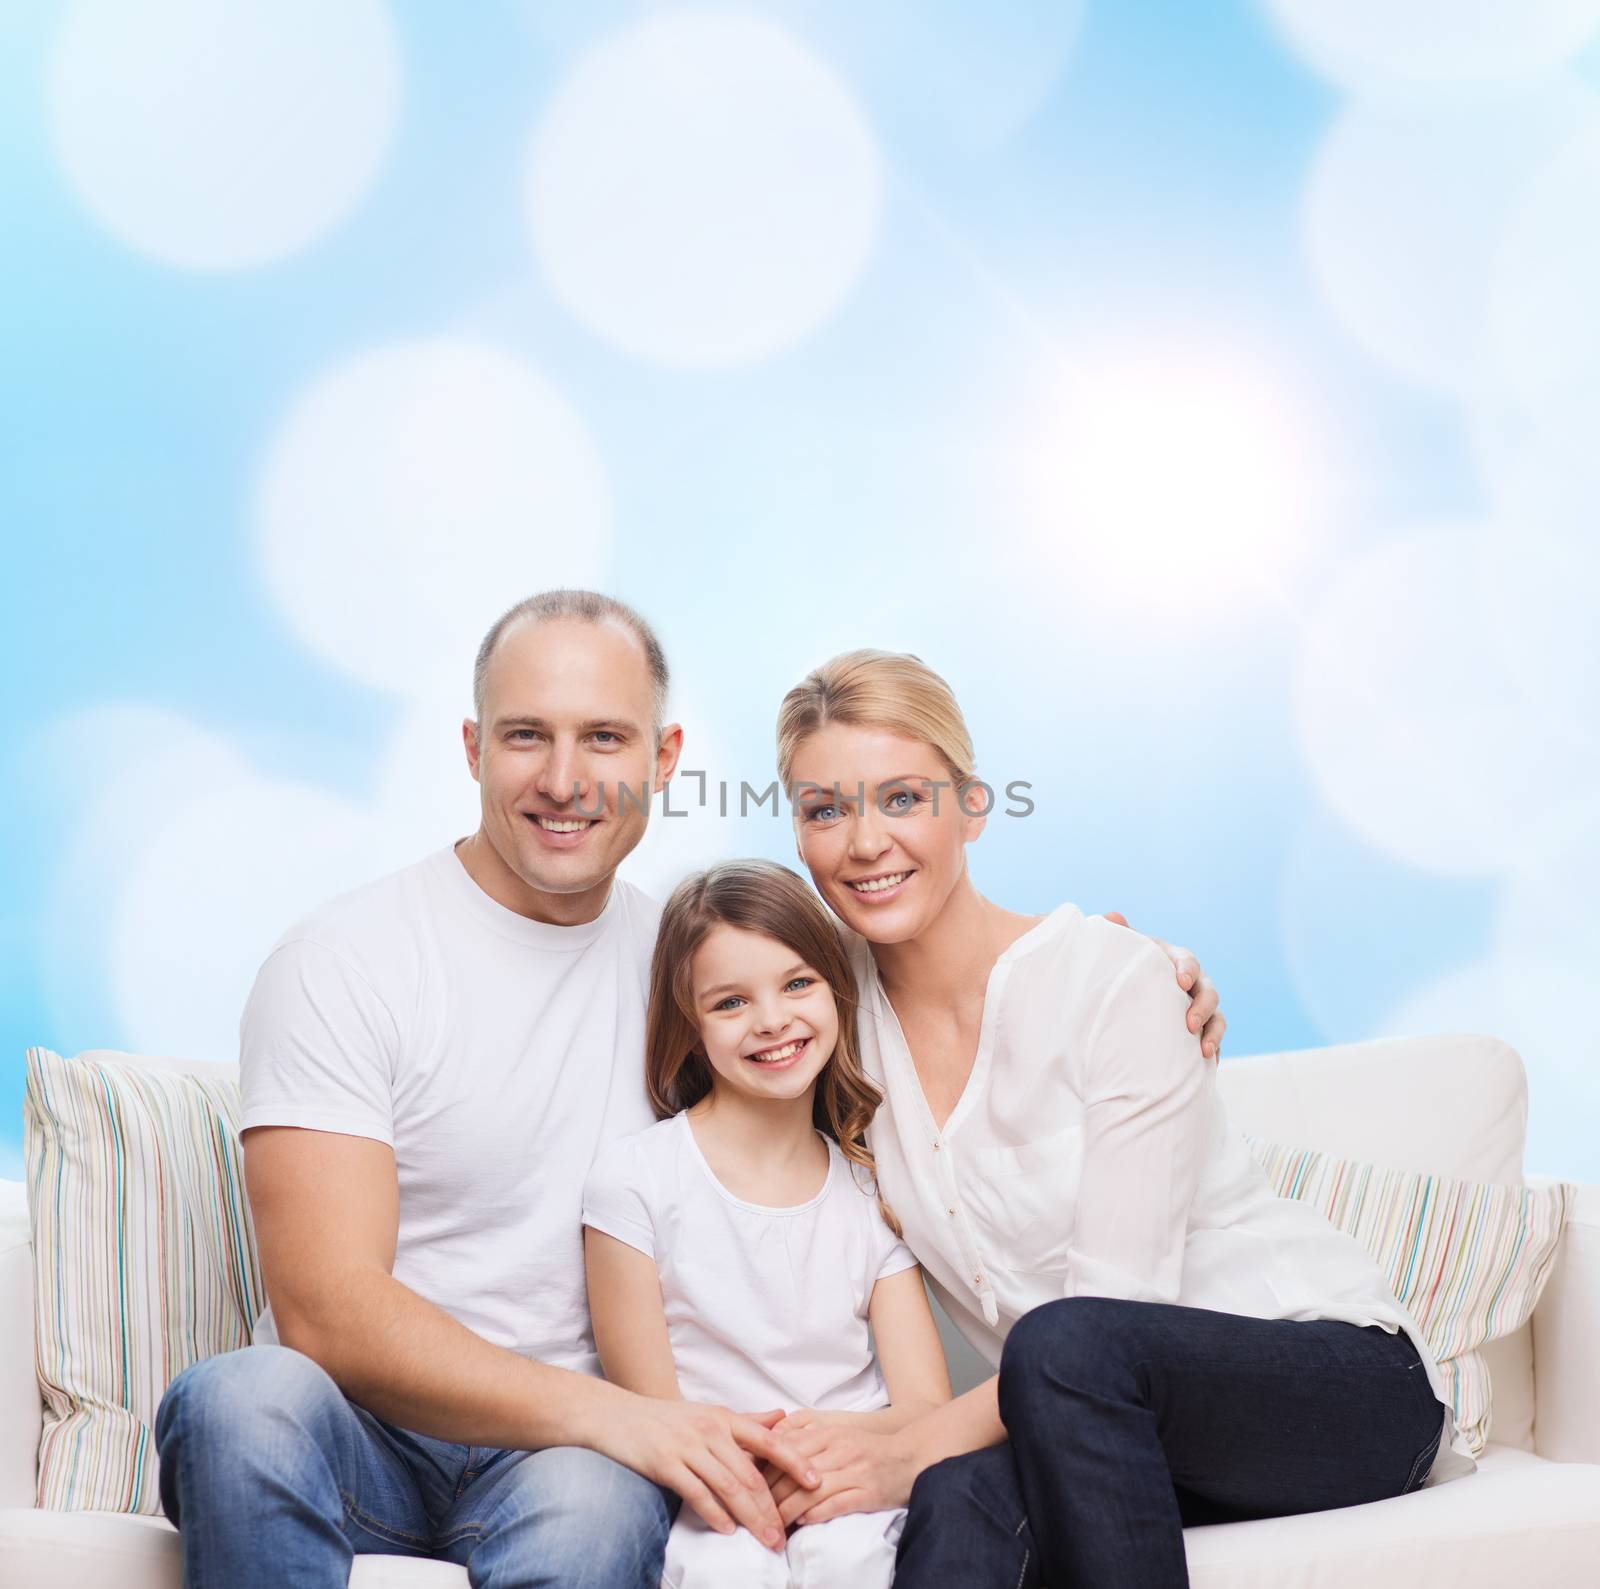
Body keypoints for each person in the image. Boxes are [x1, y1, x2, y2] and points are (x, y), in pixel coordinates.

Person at [152, 590, 1221, 1587]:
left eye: (604, 737)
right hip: (383, 1427)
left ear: (663, 758)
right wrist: (631, 1418)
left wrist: (1125, 973)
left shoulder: (694, 964)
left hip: (577, 1457)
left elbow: (876, 979)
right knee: (240, 1396)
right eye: (526, 734)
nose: (564, 779)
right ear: (473, 749)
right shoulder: (346, 957)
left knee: (585, 1511)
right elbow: (325, 1309)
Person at [752, 648, 1474, 1589]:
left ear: (971, 806)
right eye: (824, 810)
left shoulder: (1111, 982)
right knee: (954, 1502)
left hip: (1333, 1388)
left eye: (901, 798)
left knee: (1064, 1340)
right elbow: (695, 969)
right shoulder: (822, 1022)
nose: (863, 842)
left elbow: (1112, 1308)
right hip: (1095, 1422)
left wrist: (911, 1443)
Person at [582, 859, 952, 1588]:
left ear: (836, 991)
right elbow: (652, 1413)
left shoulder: (872, 1184)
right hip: (708, 1491)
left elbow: (925, 1408)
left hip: (852, 1485)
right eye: (730, 1002)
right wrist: (758, 1463)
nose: (773, 1019)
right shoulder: (634, 1180)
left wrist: (824, 1456)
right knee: (725, 1569)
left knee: (849, 1558)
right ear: (689, 1029)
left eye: (797, 983)